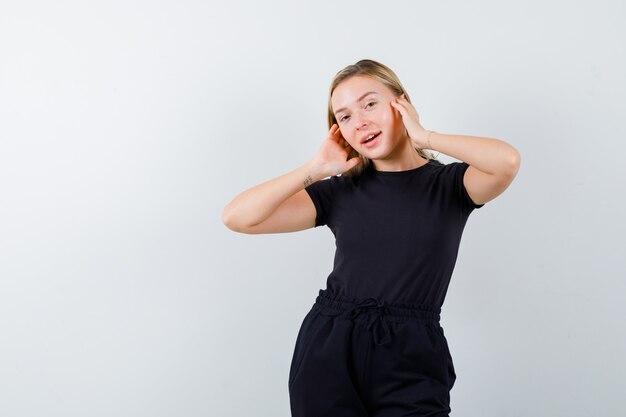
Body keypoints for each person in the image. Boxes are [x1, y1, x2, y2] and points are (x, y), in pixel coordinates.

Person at [222, 59, 521, 417]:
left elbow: (507, 161)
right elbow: (238, 218)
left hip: (412, 353)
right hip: (331, 345)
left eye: (369, 104)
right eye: (344, 116)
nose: (359, 121)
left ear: (401, 103)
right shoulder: (339, 192)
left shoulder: (452, 186)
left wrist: (424, 136)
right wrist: (314, 170)